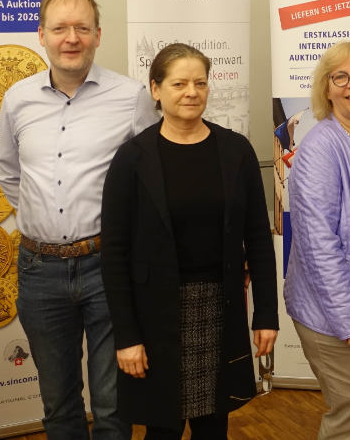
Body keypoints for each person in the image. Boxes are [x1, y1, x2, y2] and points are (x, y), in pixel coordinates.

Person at [0, 0, 157, 439]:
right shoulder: (17, 99)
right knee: (59, 403)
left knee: (112, 403)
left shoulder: (131, 97)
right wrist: (43, 219)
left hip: (108, 267)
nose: (72, 38)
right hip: (38, 268)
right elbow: (9, 174)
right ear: (41, 35)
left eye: (82, 28)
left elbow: (148, 183)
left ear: (98, 35)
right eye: (60, 28)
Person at [100, 43, 278, 439]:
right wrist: (127, 337)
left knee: (213, 426)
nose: (191, 92)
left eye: (200, 82)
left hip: (220, 308)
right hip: (156, 314)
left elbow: (258, 239)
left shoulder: (236, 151)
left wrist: (266, 313)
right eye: (179, 83)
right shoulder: (132, 158)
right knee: (161, 430)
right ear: (155, 89)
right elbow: (113, 254)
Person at [283, 41, 350, 439]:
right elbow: (317, 245)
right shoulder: (319, 147)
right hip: (335, 312)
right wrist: (347, 317)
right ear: (326, 89)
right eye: (340, 76)